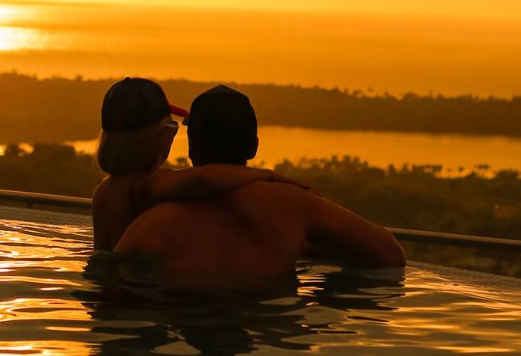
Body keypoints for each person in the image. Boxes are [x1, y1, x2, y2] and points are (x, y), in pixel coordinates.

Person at [113, 85, 405, 285]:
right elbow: (390, 256)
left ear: (192, 148)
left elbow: (114, 294)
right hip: (264, 333)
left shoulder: (152, 223)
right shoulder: (292, 205)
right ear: (253, 146)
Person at [91, 77, 285, 251]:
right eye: (173, 128)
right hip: (134, 289)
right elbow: (205, 178)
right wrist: (267, 175)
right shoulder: (146, 184)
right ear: (161, 136)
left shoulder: (103, 188)